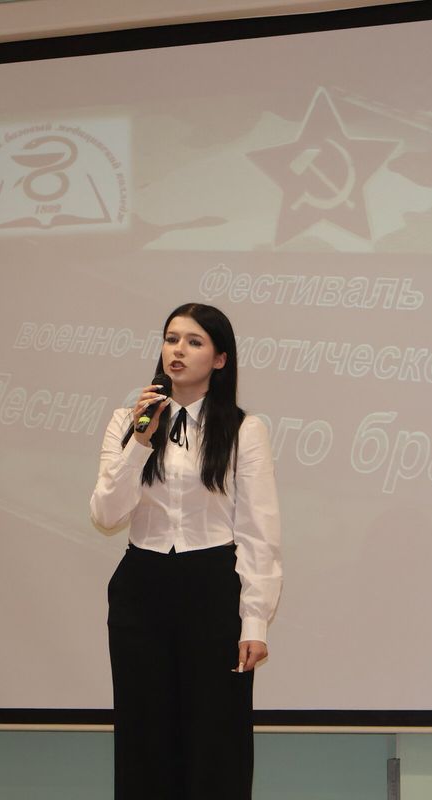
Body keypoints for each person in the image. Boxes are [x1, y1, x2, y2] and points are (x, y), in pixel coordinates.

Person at [89, 302, 282, 800]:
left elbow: (258, 529)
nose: (178, 350)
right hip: (142, 586)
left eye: (194, 342)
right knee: (144, 736)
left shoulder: (243, 429)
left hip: (212, 586)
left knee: (216, 738)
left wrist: (254, 621)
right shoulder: (126, 421)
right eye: (171, 339)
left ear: (220, 359)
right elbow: (106, 513)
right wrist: (140, 440)